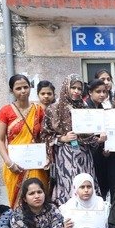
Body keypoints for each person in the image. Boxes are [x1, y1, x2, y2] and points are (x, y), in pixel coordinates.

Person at [41, 74, 104, 206]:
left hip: (84, 155)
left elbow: (89, 134)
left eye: (79, 89)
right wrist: (62, 138)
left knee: (85, 186)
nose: (76, 91)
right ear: (66, 87)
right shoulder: (54, 108)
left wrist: (99, 139)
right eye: (73, 87)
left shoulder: (84, 107)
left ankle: (88, 214)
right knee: (68, 185)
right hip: (65, 156)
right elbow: (44, 136)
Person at [0, 74, 49, 207]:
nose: (23, 91)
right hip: (15, 165)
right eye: (18, 88)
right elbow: (0, 140)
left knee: (37, 200)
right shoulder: (5, 111)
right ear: (11, 90)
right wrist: (9, 163)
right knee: (17, 204)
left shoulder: (38, 110)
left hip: (36, 164)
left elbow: (45, 137)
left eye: (26, 87)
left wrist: (47, 157)